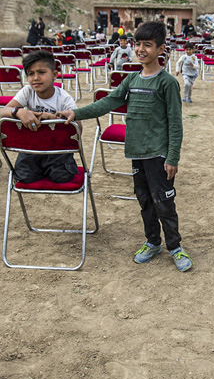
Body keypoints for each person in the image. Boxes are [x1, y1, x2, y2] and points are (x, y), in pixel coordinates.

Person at [57, 21, 191, 272]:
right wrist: (76, 113)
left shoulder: (167, 82)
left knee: (164, 201)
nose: (140, 49)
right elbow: (108, 102)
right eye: (137, 44)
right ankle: (152, 242)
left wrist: (173, 157)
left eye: (147, 45)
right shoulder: (131, 79)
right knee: (144, 200)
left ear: (161, 49)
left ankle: (175, 246)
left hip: (158, 154)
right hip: (137, 152)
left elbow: (175, 123)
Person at [0, 51, 78, 183]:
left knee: (62, 178)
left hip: (57, 150)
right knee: (24, 177)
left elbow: (78, 129)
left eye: (41, 72)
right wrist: (19, 112)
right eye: (31, 73)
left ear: (54, 75)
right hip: (31, 148)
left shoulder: (64, 99)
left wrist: (54, 119)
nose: (35, 78)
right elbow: (4, 111)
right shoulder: (27, 92)